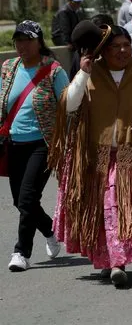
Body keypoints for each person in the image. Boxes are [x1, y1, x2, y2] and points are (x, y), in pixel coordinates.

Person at [50, 24, 132, 287]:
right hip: (95, 158)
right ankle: (110, 260)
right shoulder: (91, 75)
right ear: (103, 52)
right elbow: (69, 105)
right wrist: (83, 73)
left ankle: (118, 262)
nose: (122, 50)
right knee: (101, 212)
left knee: (117, 211)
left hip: (131, 158)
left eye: (126, 45)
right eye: (115, 46)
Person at [2, 21, 69, 271]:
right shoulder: (9, 67)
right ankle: (50, 230)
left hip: (42, 144)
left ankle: (21, 252)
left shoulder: (53, 71)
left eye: (28, 40)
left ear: (39, 42)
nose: (22, 45)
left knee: (29, 197)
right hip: (13, 143)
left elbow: (68, 106)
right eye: (18, 40)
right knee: (21, 201)